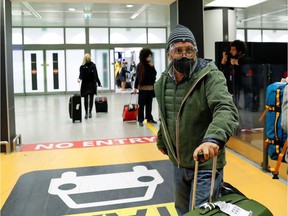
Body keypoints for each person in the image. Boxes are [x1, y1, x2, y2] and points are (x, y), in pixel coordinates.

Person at [154, 24, 239, 215]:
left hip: (205, 163)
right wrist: (162, 139)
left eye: (189, 50)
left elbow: (225, 108)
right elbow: (165, 115)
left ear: (196, 52)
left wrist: (212, 140)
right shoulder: (162, 83)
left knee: (200, 212)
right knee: (182, 210)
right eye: (178, 50)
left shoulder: (210, 76)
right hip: (178, 162)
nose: (184, 55)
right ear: (169, 54)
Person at [133, 48, 157, 126]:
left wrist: (152, 66)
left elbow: (154, 74)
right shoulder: (140, 65)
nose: (149, 58)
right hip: (142, 88)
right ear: (144, 56)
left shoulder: (151, 64)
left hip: (150, 88)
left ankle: (149, 118)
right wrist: (135, 87)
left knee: (149, 104)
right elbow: (137, 77)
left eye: (150, 56)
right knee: (141, 105)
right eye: (148, 56)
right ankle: (140, 119)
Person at [78, 53, 101, 119]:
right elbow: (81, 75)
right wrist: (79, 79)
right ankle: (86, 112)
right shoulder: (82, 66)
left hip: (92, 83)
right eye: (87, 58)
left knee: (91, 98)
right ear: (85, 58)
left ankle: (90, 112)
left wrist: (98, 82)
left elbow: (96, 75)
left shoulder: (93, 65)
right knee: (85, 99)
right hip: (85, 84)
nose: (88, 59)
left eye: (89, 57)